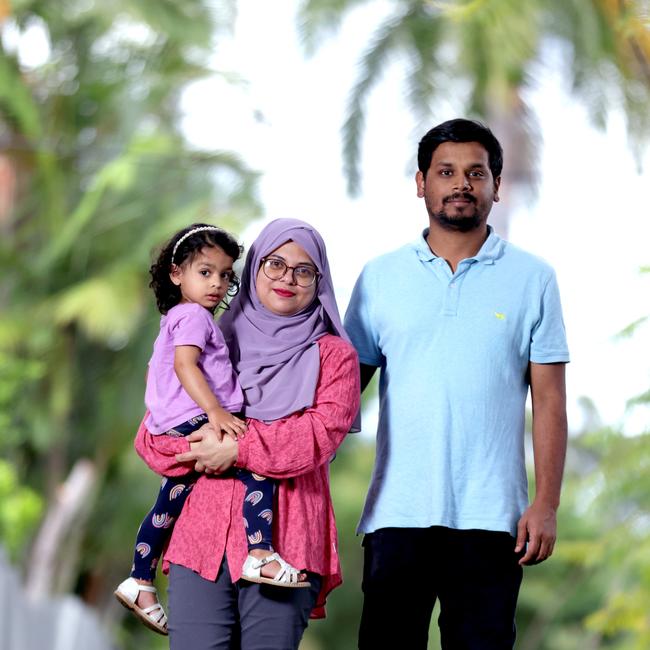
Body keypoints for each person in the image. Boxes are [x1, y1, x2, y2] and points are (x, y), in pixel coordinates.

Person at [344, 118, 569, 649]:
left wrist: (547, 504)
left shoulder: (533, 278)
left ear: (496, 186)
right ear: (422, 183)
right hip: (397, 514)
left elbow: (551, 401)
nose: (461, 183)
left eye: (476, 173)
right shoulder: (380, 277)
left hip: (494, 520)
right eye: (446, 172)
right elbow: (341, 392)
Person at [133, 218, 360, 649]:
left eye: (304, 270)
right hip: (199, 538)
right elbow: (152, 439)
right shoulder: (208, 339)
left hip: (285, 540)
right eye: (274, 264)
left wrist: (235, 448)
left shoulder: (336, 356)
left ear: (320, 280)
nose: (287, 278)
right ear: (254, 269)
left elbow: (316, 437)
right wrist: (197, 446)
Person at [115, 224, 311, 637]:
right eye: (205, 272)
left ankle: (140, 578)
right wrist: (216, 413)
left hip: (173, 419)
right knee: (257, 465)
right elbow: (186, 366)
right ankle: (260, 550)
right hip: (194, 417)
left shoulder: (183, 317)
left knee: (171, 498)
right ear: (176, 273)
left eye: (224, 275)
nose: (217, 284)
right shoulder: (193, 318)